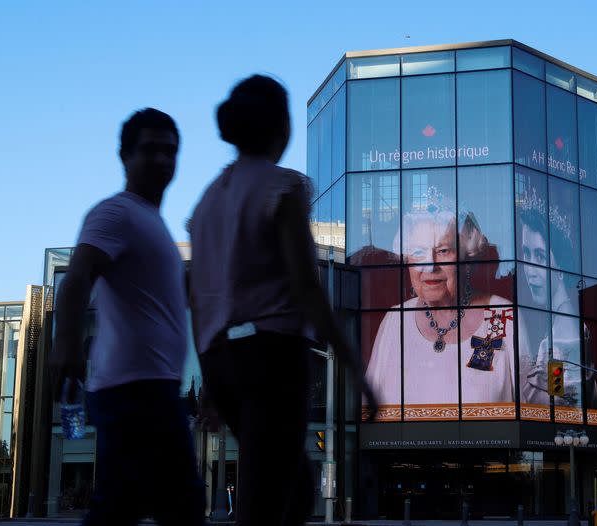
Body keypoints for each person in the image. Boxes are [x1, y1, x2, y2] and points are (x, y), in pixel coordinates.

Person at [188, 75, 377, 526]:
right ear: (281, 128)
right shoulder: (281, 188)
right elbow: (306, 286)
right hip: (272, 355)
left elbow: (203, 298)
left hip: (220, 358)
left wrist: (212, 385)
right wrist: (351, 360)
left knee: (291, 482)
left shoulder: (208, 203)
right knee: (267, 494)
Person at [50, 108, 205, 526]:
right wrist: (65, 348)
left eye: (170, 151)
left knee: (124, 506)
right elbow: (76, 278)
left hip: (150, 386)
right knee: (179, 506)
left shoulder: (153, 225)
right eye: (150, 150)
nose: (161, 159)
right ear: (124, 156)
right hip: (133, 388)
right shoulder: (115, 214)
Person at [365, 198, 516, 419]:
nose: (430, 265)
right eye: (418, 251)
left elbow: (537, 412)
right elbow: (368, 411)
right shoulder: (394, 321)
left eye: (443, 251)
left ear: (466, 257)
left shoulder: (503, 316)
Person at [517, 197, 583, 408]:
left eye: (541, 256)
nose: (530, 270)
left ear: (561, 266)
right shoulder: (569, 323)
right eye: (526, 254)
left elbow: (562, 403)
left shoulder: (561, 338)